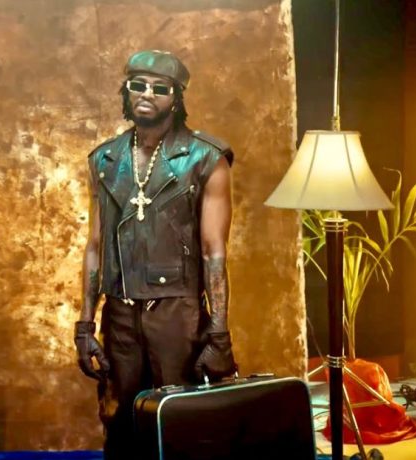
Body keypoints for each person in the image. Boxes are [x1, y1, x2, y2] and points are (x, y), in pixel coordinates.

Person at [75, 50, 237, 459]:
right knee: (121, 424)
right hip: (120, 314)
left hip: (177, 314)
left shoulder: (205, 157)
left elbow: (213, 251)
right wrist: (84, 325)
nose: (147, 94)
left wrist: (218, 332)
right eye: (138, 85)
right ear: (126, 91)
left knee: (180, 422)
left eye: (160, 88)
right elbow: (95, 245)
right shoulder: (105, 159)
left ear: (176, 98)